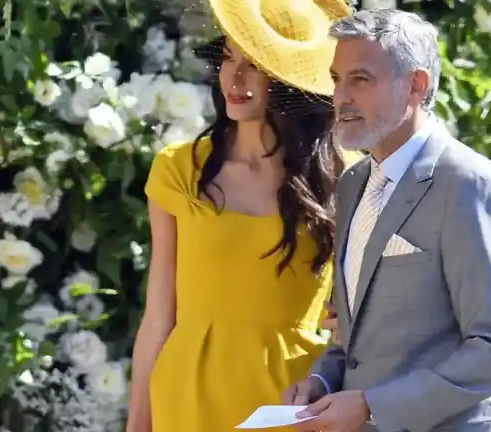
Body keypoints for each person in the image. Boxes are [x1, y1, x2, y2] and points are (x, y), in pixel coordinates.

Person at [282, 9, 491, 432]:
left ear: (416, 84)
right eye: (337, 79)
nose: (341, 97)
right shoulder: (353, 183)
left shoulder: (468, 185)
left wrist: (371, 405)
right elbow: (359, 336)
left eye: (360, 80)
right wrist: (322, 381)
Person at [124, 0, 358, 431]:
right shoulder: (180, 170)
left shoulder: (347, 179)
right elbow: (158, 315)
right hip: (187, 396)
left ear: (288, 78)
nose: (234, 78)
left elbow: (358, 319)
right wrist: (138, 425)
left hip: (291, 401)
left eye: (255, 65)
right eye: (229, 58)